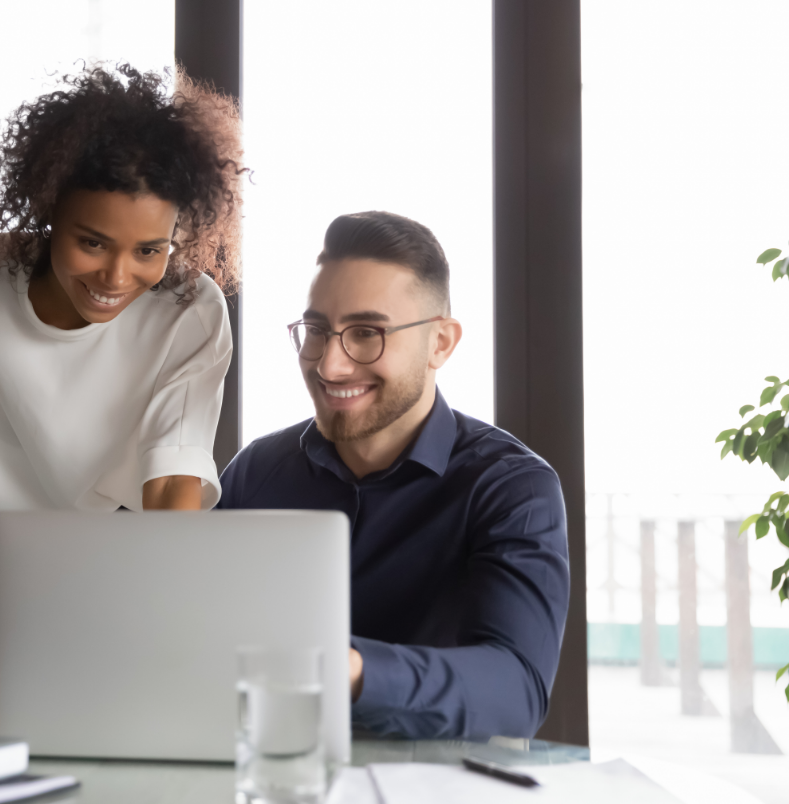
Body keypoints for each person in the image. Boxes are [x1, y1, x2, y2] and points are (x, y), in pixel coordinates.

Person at [217, 211, 570, 740]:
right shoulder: (256, 472)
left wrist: (350, 670)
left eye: (366, 334)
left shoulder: (512, 488)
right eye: (316, 330)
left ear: (441, 344)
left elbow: (515, 692)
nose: (330, 366)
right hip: (273, 773)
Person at [0, 63, 245, 512]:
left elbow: (174, 480)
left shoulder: (189, 308)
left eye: (150, 251)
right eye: (93, 243)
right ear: (49, 209)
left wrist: (171, 578)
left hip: (115, 554)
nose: (116, 278)